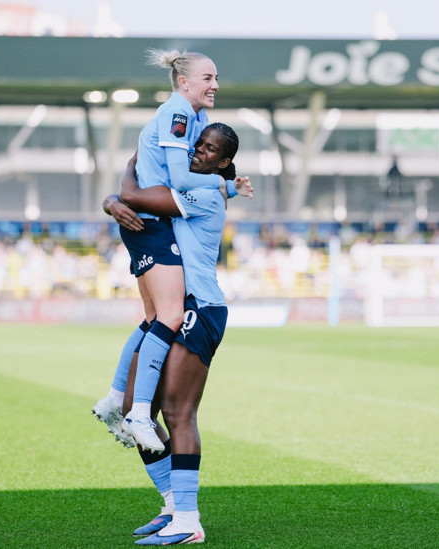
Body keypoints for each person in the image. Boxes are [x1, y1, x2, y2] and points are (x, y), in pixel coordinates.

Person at [104, 122, 250, 545]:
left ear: (223, 163)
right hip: (179, 307)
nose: (198, 152)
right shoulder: (200, 186)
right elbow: (134, 204)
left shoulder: (205, 193)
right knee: (137, 411)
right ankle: (172, 505)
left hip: (201, 308)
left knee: (177, 412)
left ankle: (188, 520)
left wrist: (120, 187)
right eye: (197, 145)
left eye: (209, 150)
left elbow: (133, 197)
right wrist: (111, 202)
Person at [92, 48, 242, 453]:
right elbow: (179, 175)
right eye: (207, 78)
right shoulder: (178, 113)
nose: (214, 84)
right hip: (154, 221)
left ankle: (115, 396)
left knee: (154, 318)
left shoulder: (197, 118)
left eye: (216, 77)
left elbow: (148, 170)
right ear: (184, 82)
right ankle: (138, 410)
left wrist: (226, 184)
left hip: (153, 220)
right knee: (170, 315)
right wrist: (221, 186)